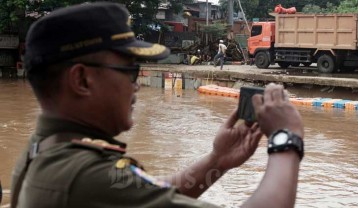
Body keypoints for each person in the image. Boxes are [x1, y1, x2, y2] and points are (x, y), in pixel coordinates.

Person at [11, 2, 305, 208]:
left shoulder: (45, 148)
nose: (136, 85)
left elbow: (150, 196)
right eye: (131, 71)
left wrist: (217, 160)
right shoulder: (84, 176)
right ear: (82, 80)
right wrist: (286, 138)